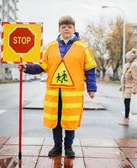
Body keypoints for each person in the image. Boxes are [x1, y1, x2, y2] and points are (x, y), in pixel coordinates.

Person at [19, 16, 97, 157]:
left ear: (74, 29)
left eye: (69, 26)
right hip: (54, 94)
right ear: (59, 29)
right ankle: (57, 146)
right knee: (56, 121)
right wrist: (26, 68)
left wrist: (91, 88)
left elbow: (90, 69)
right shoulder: (50, 47)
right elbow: (41, 66)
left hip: (73, 94)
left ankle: (68, 148)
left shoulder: (83, 47)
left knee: (69, 122)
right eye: (63, 26)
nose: (66, 28)